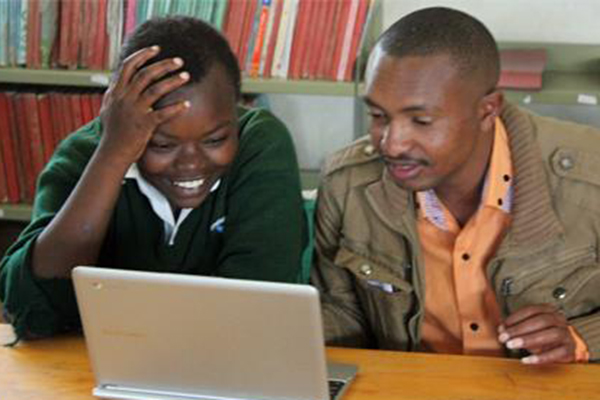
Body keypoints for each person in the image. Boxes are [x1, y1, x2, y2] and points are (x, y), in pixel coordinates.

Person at [311, 7, 600, 364]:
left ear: (487, 110)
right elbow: (341, 313)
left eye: (421, 121)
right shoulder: (345, 185)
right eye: (378, 116)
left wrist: (580, 339)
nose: (392, 143)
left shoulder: (591, 178)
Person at [0, 16, 306, 339]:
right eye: (162, 144)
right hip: (95, 370)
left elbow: (256, 310)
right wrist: (112, 156)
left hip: (222, 369)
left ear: (234, 113)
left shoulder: (260, 143)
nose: (191, 163)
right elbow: (28, 311)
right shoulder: (84, 156)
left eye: (215, 140)